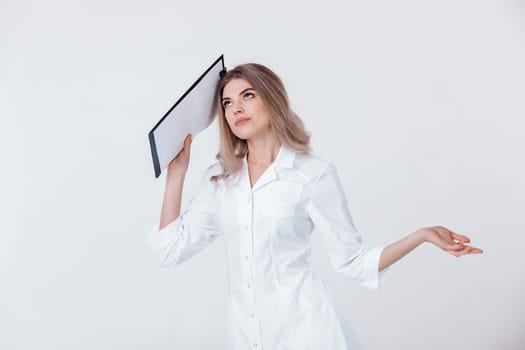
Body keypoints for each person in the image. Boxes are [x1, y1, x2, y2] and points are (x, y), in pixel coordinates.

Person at [147, 63, 483, 350]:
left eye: (248, 95)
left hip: (308, 331)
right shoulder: (220, 179)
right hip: (247, 336)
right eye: (227, 102)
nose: (236, 108)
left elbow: (353, 261)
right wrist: (176, 176)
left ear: (272, 100)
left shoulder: (312, 174)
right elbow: (170, 251)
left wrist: (420, 236)